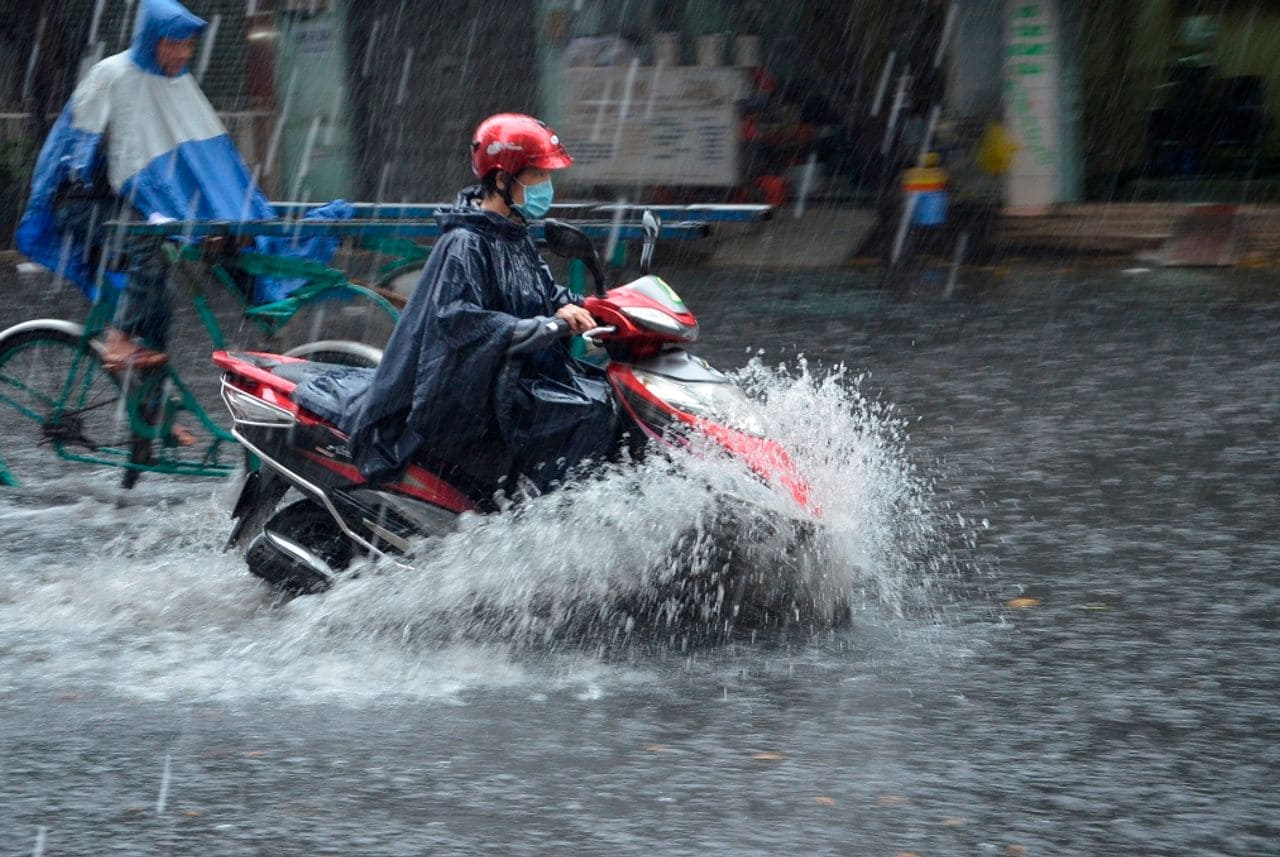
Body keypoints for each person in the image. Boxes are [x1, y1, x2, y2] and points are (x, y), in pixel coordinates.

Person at [338, 113, 617, 493]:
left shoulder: (515, 236)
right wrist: (548, 326)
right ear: (503, 179)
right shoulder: (466, 243)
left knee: (608, 396)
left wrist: (604, 307)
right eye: (537, 177)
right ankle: (550, 520)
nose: (547, 188)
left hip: (513, 377)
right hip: (471, 392)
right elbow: (463, 322)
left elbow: (547, 295)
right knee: (586, 413)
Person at [16, 0, 278, 375]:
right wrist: (160, 199)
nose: (185, 53)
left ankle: (153, 418)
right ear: (154, 40)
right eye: (177, 43)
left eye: (189, 44)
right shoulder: (113, 75)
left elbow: (205, 156)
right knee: (147, 245)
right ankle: (118, 340)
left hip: (124, 201)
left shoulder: (176, 82)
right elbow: (113, 159)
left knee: (160, 300)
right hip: (79, 199)